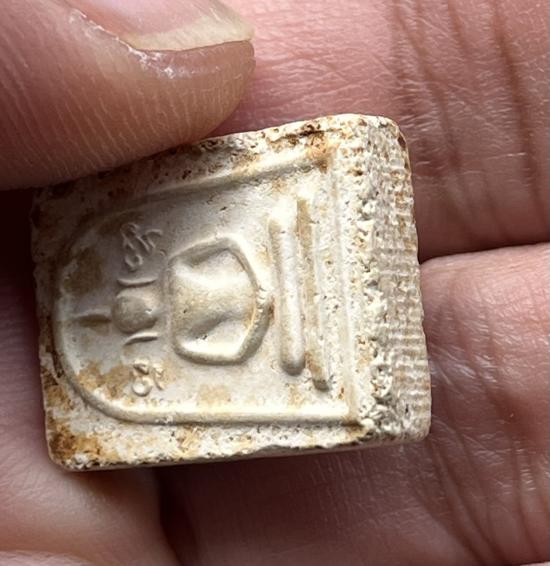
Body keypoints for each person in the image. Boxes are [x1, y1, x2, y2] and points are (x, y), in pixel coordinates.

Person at [0, 1, 548, 565]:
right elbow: (219, 309)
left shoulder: (180, 272)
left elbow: (220, 249)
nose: (135, 309)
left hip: (274, 287)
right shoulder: (170, 321)